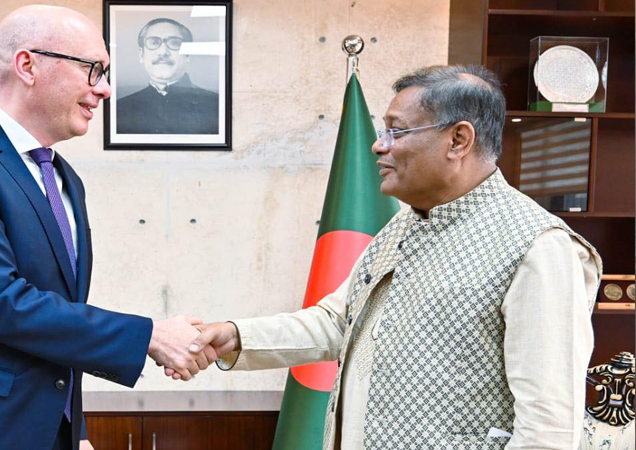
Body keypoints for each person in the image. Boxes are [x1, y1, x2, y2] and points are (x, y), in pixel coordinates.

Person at [185, 65, 602, 450]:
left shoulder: (538, 246)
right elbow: (338, 322)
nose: (378, 145)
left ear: (459, 140)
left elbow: (548, 427)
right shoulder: (404, 225)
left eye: (396, 132)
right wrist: (235, 336)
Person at [0, 6, 212, 450]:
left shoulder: (65, 178)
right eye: (93, 69)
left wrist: (74, 430)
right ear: (28, 65)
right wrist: (149, 336)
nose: (105, 89)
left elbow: (58, 316)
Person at [116, 18, 218, 135]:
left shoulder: (215, 105)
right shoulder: (120, 108)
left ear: (188, 55)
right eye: (154, 42)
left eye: (174, 43)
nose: (163, 52)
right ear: (141, 55)